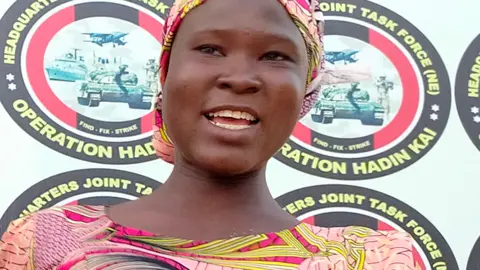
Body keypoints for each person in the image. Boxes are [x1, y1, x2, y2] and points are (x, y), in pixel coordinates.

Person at [0, 0, 415, 269]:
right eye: (210, 49)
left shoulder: (372, 259)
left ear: (306, 93)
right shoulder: (42, 243)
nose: (239, 78)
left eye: (275, 56)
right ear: (164, 76)